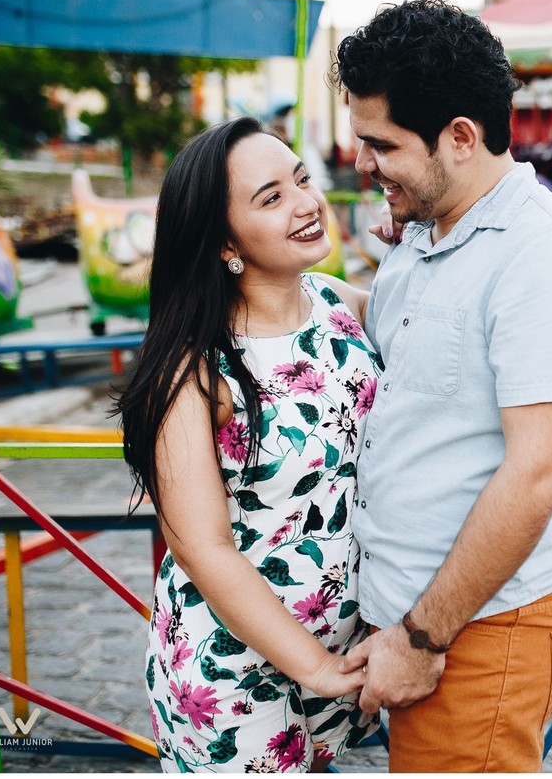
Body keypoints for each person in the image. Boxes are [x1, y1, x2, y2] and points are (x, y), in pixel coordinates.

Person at [330, 0, 552, 772]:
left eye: (380, 144)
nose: (361, 164)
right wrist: (281, 287)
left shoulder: (545, 258)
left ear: (460, 137)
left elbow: (536, 476)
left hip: (481, 627)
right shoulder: (433, 229)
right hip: (435, 617)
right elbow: (403, 334)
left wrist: (424, 638)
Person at [114, 116, 379, 772]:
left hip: (340, 656)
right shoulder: (194, 370)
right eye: (271, 198)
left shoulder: (338, 305)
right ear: (222, 240)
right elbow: (201, 548)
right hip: (233, 674)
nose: (305, 202)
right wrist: (314, 665)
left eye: (301, 181)